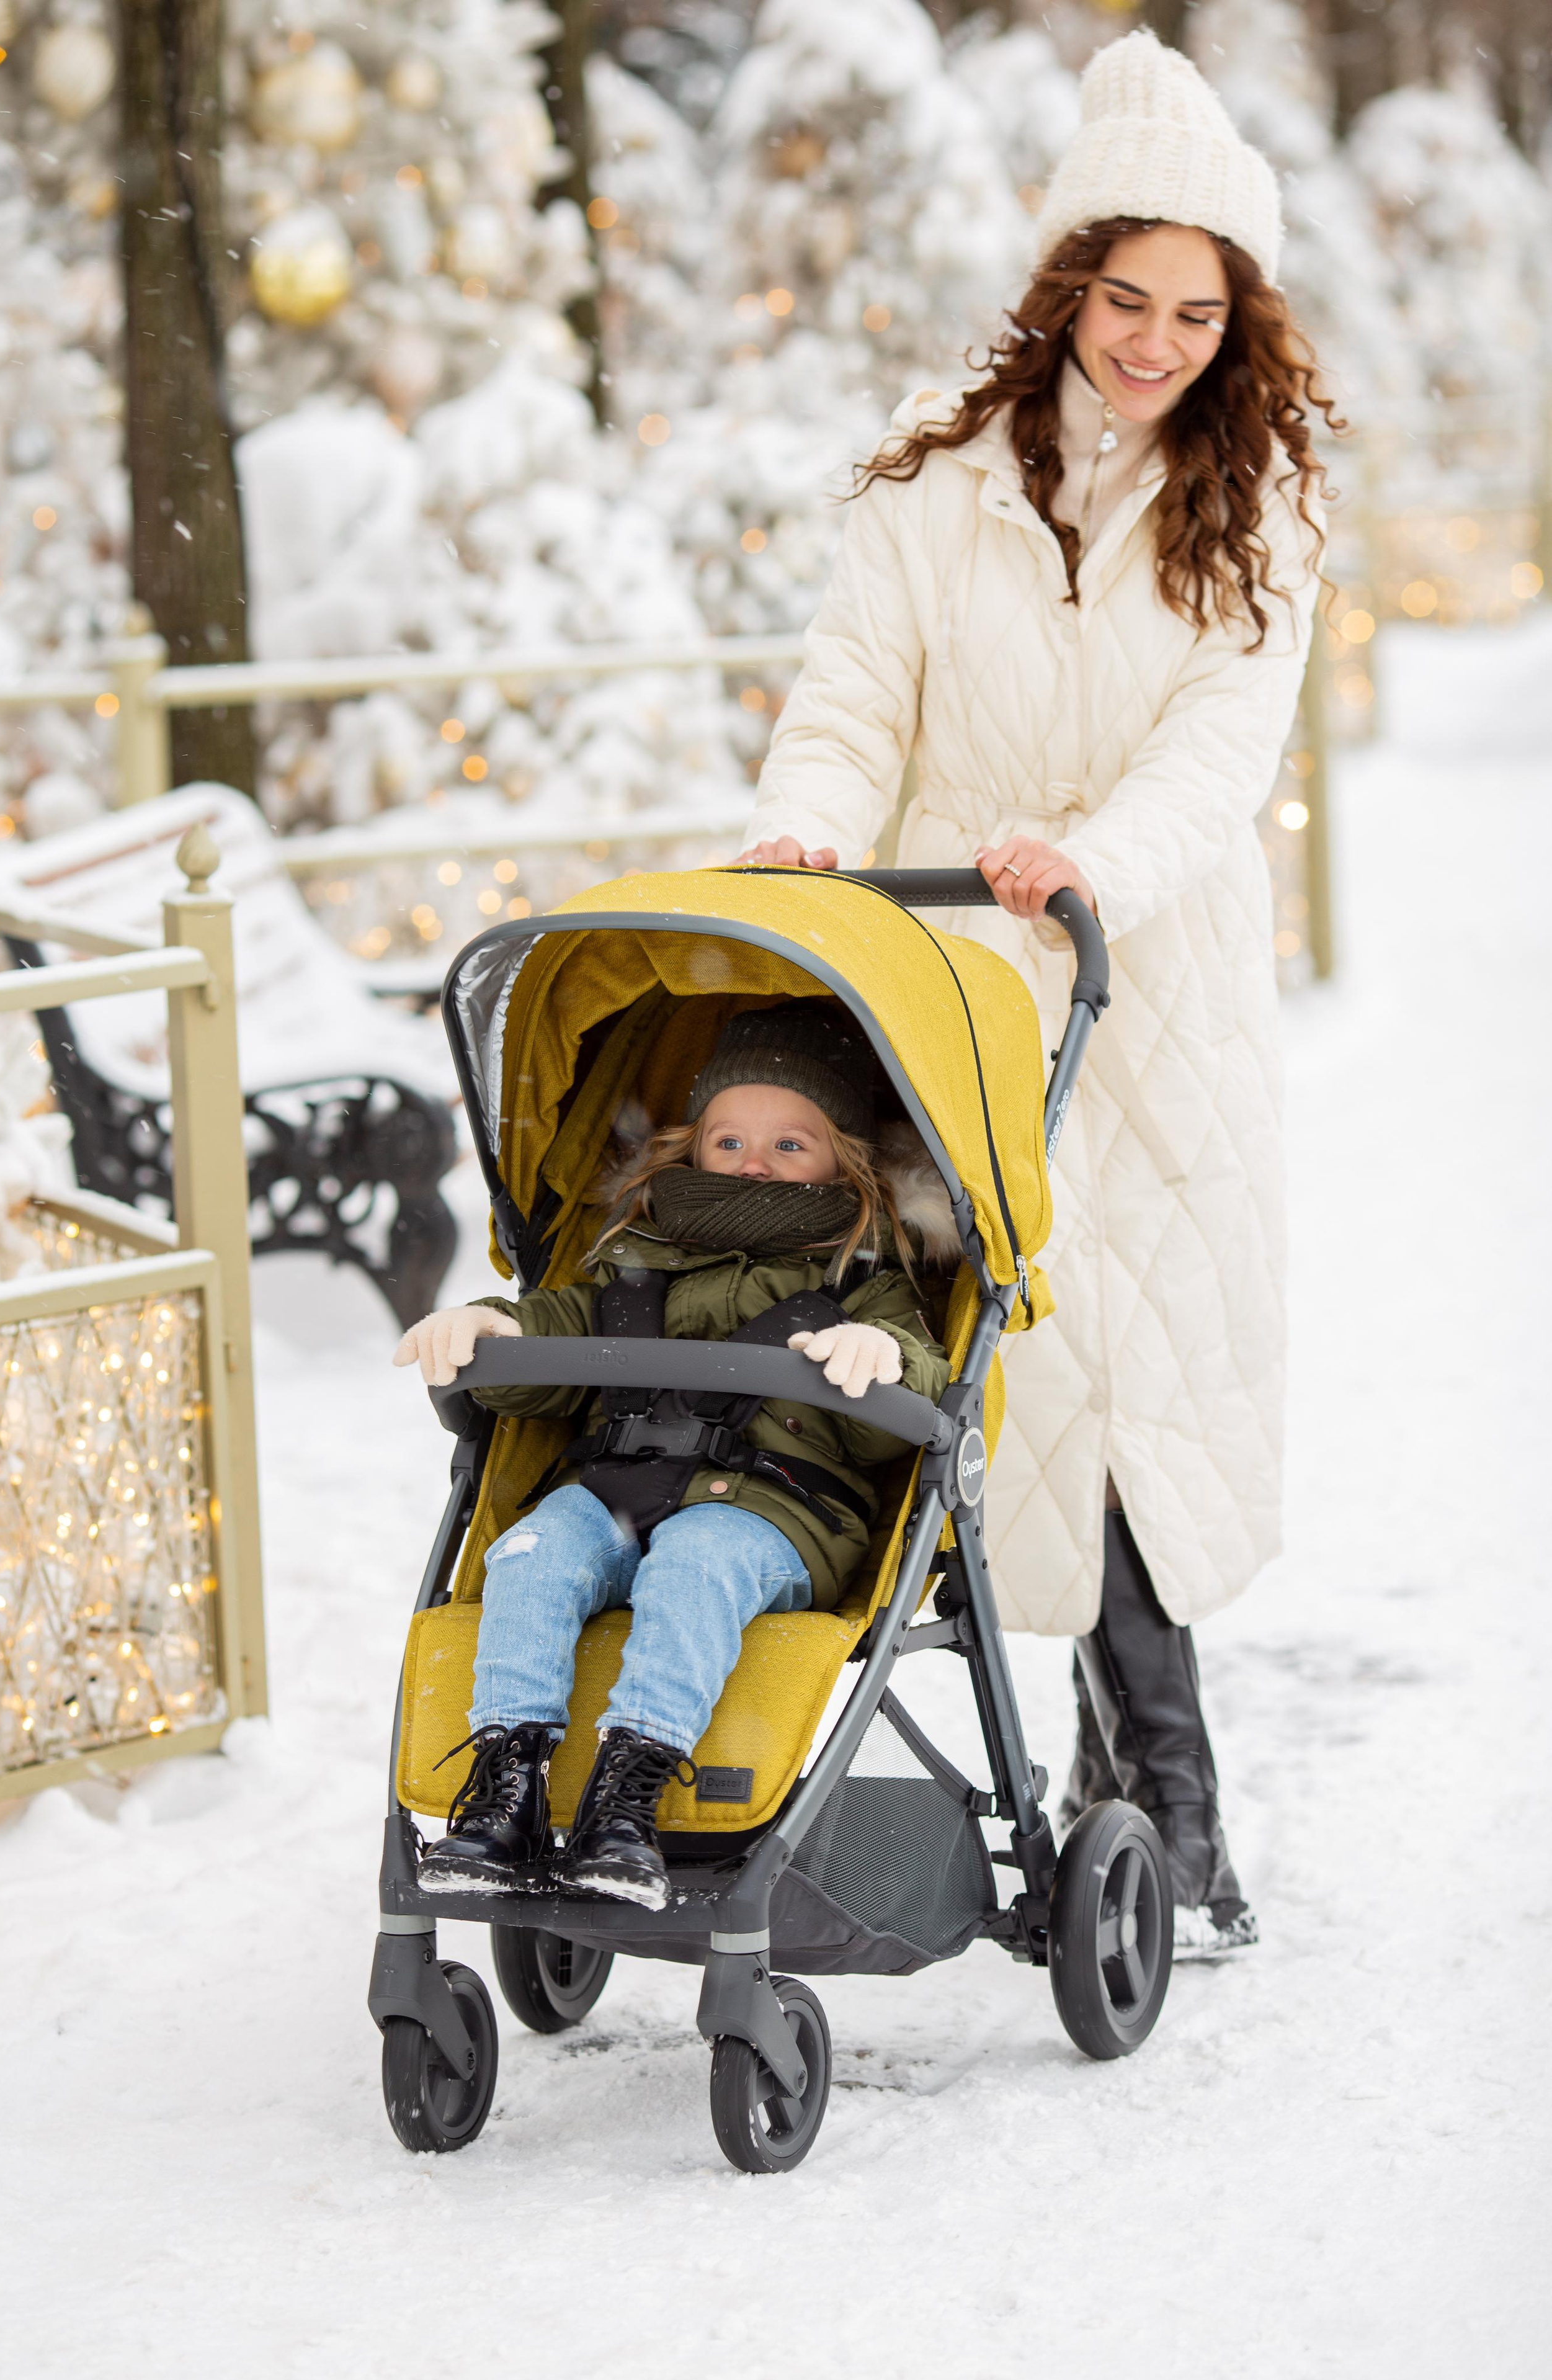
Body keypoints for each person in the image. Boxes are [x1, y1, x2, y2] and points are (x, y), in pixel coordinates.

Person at [738, 30, 1342, 1952]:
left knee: (1132, 1391)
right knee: (984, 1383)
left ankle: (1169, 1803)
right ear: (1068, 279)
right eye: (1127, 296)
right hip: (941, 994)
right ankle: (1008, 1790)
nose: (1156, 340)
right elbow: (852, 702)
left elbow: (1216, 758)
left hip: (1145, 1001)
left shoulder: (1265, 513)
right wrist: (803, 836)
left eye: (1197, 311)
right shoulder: (934, 477)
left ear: (1234, 323)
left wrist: (1095, 866)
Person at [393, 1004, 951, 1911]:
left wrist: (883, 1361)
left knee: (697, 1564)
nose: (754, 1161)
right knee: (530, 1555)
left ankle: (629, 1798)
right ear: (692, 1147)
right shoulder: (635, 1258)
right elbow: (557, 1334)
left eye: (790, 1144)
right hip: (617, 1486)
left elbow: (914, 1399)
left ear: (842, 1161)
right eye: (729, 1139)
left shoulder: (860, 1275)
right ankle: (507, 1790)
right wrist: (493, 1328)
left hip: (775, 1508)